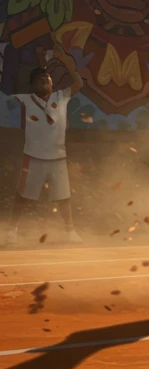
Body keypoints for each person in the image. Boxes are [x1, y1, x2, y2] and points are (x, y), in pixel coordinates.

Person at [4, 48, 84, 247]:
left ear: (52, 82)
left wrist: (64, 59)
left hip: (58, 156)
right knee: (23, 195)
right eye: (40, 79)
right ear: (32, 84)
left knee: (64, 196)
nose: (45, 80)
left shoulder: (61, 96)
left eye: (47, 78)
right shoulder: (24, 100)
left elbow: (79, 83)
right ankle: (11, 232)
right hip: (33, 156)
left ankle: (70, 232)